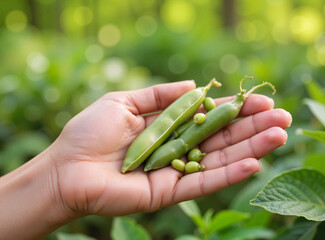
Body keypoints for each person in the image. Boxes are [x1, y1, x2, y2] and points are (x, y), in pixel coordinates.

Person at [0, 80, 292, 239]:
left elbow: (182, 135)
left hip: (180, 145)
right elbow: (174, 130)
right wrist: (58, 178)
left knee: (189, 130)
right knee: (174, 131)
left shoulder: (222, 111)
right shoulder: (197, 105)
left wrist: (56, 181)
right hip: (165, 148)